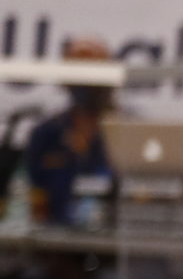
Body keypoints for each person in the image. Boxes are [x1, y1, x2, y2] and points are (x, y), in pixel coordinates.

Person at [15, 35, 114, 226]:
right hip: (55, 236)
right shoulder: (46, 133)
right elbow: (35, 197)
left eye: (93, 75)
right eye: (78, 75)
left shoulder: (123, 133)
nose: (86, 85)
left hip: (112, 238)